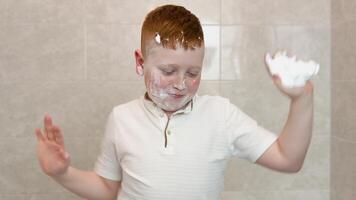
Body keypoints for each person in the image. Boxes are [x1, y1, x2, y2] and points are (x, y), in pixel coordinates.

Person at [34, 4, 314, 200]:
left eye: (193, 73)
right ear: (140, 63)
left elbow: (288, 159)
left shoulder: (221, 115)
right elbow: (108, 189)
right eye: (168, 71)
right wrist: (63, 174)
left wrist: (301, 99)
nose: (182, 84)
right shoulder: (121, 118)